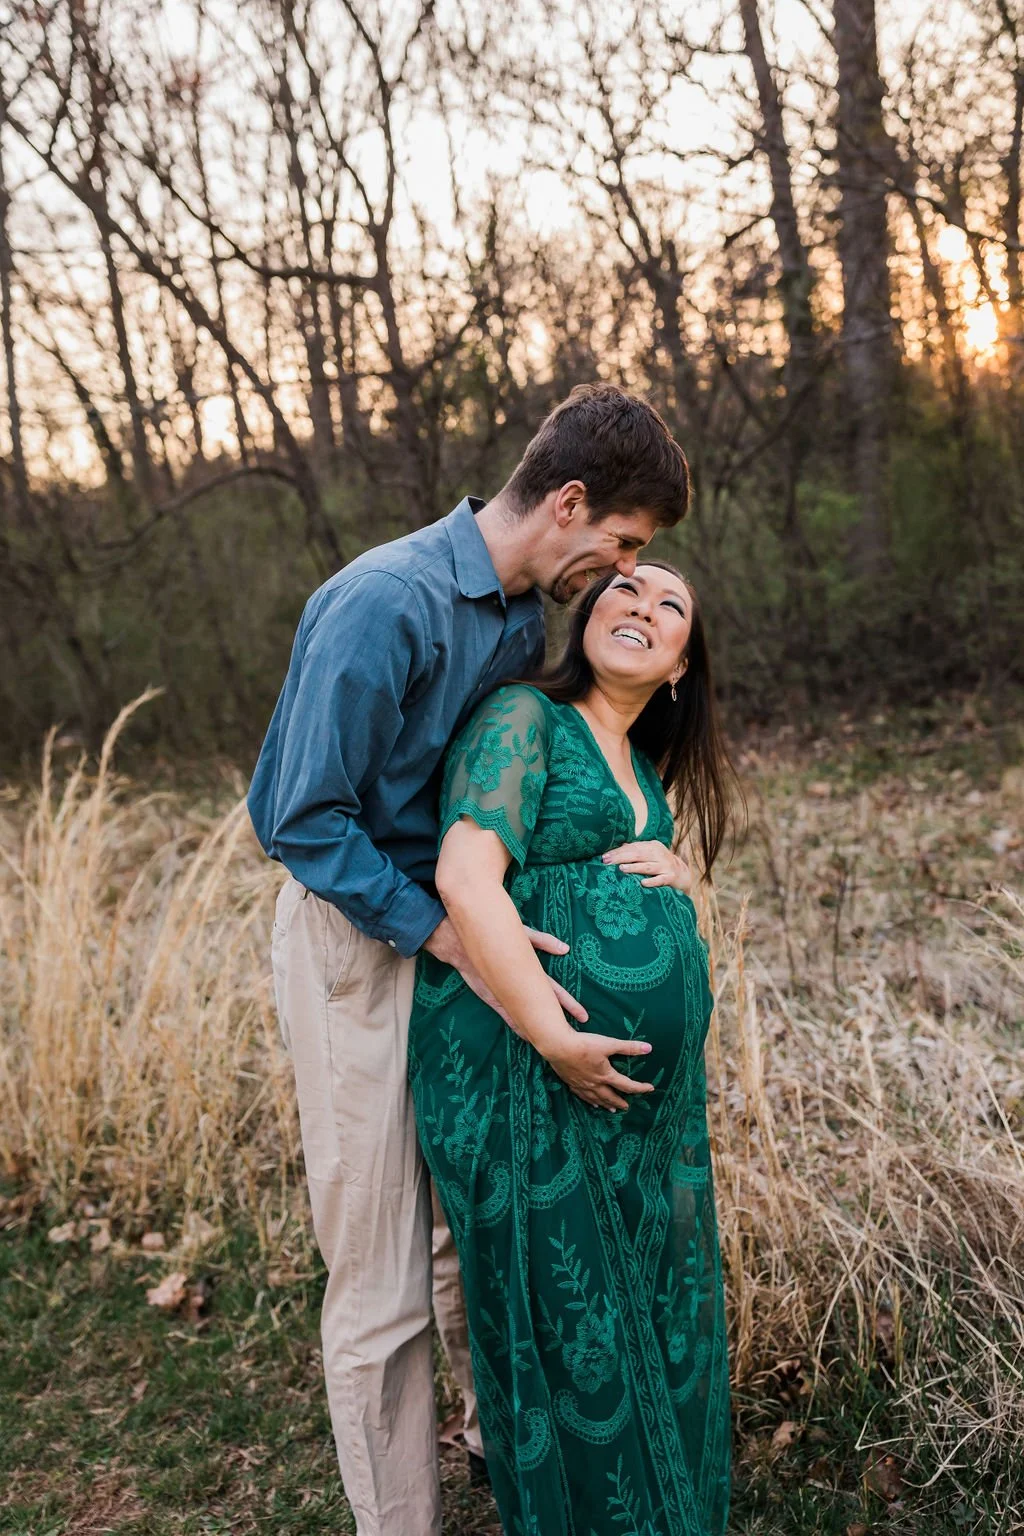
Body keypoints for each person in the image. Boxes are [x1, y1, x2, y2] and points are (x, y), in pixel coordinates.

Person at [246, 383, 692, 1536]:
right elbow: (297, 815)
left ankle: (513, 1457)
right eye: (625, 545)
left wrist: (642, 870)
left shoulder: (508, 618)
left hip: (455, 943)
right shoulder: (383, 601)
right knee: (383, 1267)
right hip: (361, 937)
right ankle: (400, 1521)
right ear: (572, 503)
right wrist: (445, 925)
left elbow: (515, 791)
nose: (621, 571)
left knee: (467, 1229)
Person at [408, 560, 736, 1535]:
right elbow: (468, 880)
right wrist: (555, 1039)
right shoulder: (524, 720)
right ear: (585, 615)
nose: (641, 607)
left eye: (669, 605)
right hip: (524, 1061)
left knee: (648, 1294)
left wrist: (682, 880)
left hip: (640, 1111)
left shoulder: (642, 765)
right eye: (624, 591)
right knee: (567, 1312)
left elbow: (637, 890)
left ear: (681, 665)